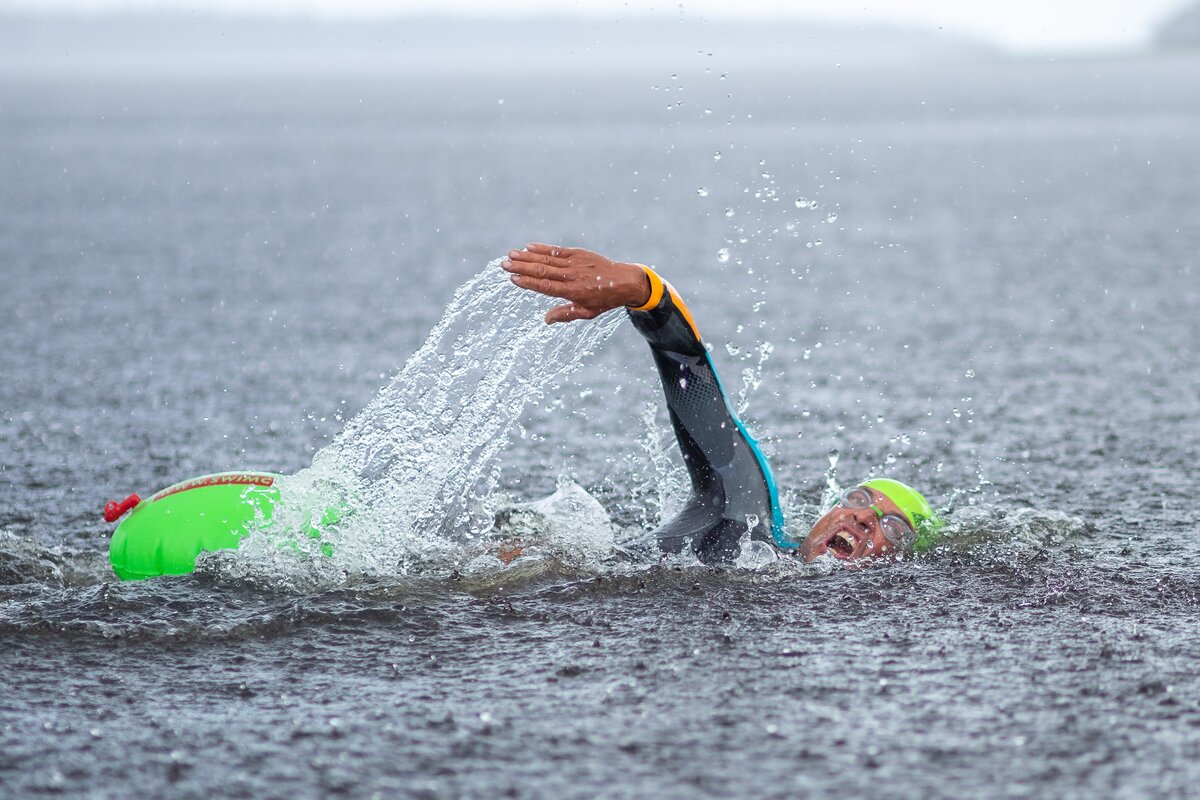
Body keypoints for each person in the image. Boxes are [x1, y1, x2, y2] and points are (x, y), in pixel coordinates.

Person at [502, 243, 942, 564]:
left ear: (898, 564)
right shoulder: (743, 520)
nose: (864, 516)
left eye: (893, 527)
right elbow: (690, 373)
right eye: (859, 497)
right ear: (828, 511)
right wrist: (642, 290)